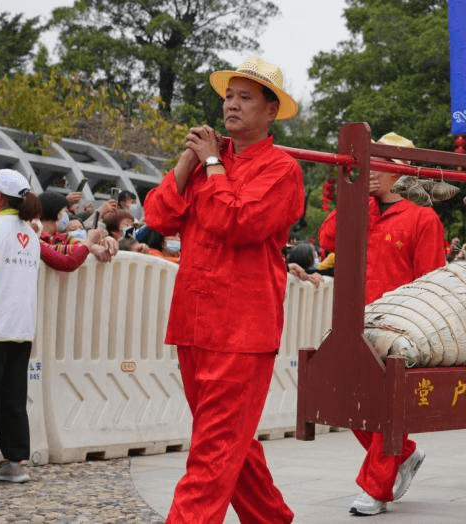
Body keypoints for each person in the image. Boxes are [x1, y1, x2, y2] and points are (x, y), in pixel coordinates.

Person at [143, 56, 303, 524]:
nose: (231, 105)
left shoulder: (282, 169)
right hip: (194, 323)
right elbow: (158, 218)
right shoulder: (208, 163)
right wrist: (188, 159)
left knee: (212, 453)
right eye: (228, 96)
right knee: (232, 444)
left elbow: (237, 222)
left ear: (271, 111)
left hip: (242, 331)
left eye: (245, 97)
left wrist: (211, 162)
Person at [318, 132, 445, 516]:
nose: (372, 171)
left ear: (401, 173)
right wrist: (358, 200)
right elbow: (326, 238)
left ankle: (376, 488)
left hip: (399, 328)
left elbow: (430, 280)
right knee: (349, 402)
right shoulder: (362, 211)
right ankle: (405, 454)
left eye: (381, 164)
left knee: (388, 409)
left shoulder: (423, 217)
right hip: (355, 323)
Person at [0, 169, 100, 487]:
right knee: (12, 398)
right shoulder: (31, 238)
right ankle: (14, 464)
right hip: (22, 329)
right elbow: (65, 263)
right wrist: (86, 247)